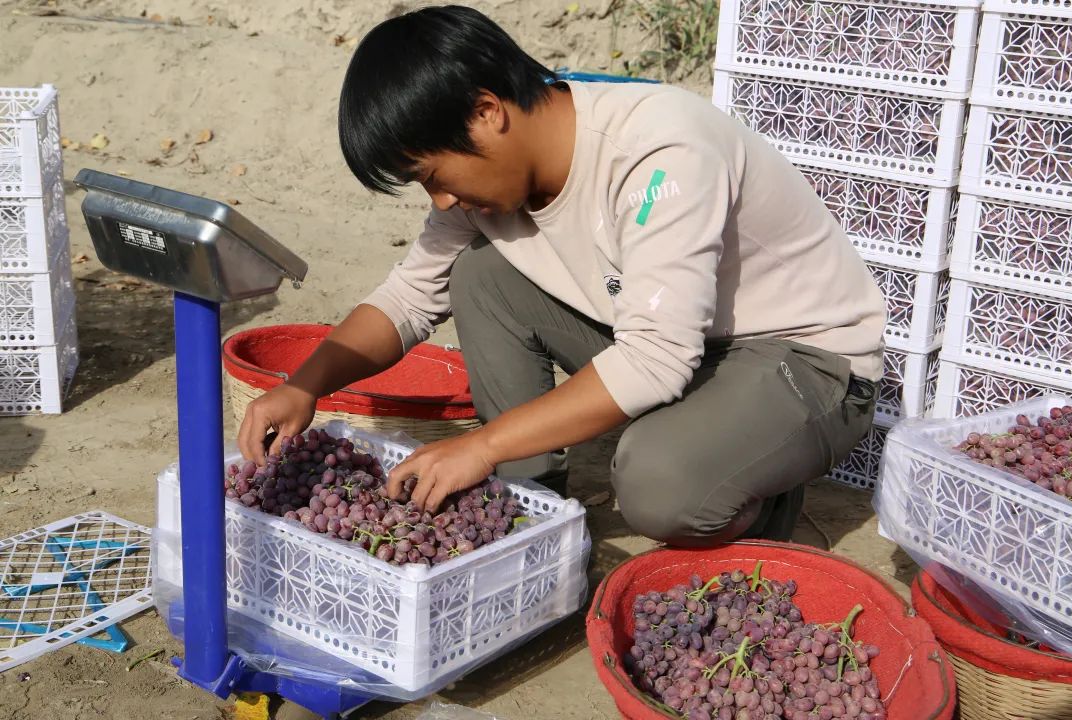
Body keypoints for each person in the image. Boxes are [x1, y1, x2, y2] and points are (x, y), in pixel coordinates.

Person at [237, 4, 885, 545]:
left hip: (806, 365)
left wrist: (482, 445)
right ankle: (528, 510)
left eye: (432, 176)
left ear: (487, 111)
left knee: (658, 484)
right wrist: (305, 385)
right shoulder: (492, 175)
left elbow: (656, 359)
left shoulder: (659, 154)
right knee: (483, 274)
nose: (438, 201)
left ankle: (759, 494)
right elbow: (409, 297)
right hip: (686, 344)